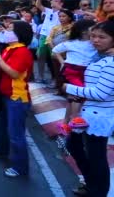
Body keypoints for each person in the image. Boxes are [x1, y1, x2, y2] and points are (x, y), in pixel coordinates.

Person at [63, 21, 114, 197]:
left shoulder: (111, 62)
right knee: (74, 145)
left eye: (102, 37)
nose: (96, 40)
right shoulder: (99, 57)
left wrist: (69, 88)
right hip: (88, 114)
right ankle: (91, 184)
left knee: (97, 157)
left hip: (100, 116)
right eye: (93, 36)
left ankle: (97, 191)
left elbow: (100, 93)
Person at [0, 21, 34, 178]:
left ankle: (20, 167)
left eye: (10, 29)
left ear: (19, 34)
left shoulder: (22, 52)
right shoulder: (9, 49)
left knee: (16, 134)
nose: (6, 31)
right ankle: (1, 150)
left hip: (17, 97)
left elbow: (14, 73)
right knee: (2, 125)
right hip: (6, 95)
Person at [52, 19, 96, 124]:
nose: (96, 30)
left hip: (86, 72)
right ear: (84, 31)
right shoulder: (71, 43)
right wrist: (62, 62)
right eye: (93, 28)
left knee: (73, 97)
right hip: (72, 72)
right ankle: (74, 119)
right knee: (79, 94)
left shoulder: (94, 43)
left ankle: (65, 122)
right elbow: (55, 51)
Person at [36, 0, 64, 84]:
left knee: (54, 58)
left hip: (55, 37)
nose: (53, 2)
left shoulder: (62, 12)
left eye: (56, 1)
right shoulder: (48, 10)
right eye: (53, 0)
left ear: (61, 3)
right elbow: (38, 5)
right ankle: (40, 76)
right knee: (41, 56)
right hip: (44, 36)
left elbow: (62, 11)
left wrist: (57, 6)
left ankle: (54, 78)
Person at [46, 9, 75, 91]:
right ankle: (59, 89)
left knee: (68, 73)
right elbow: (49, 39)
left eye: (64, 16)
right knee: (57, 72)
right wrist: (55, 50)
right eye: (60, 16)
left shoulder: (74, 27)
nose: (61, 18)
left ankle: (69, 90)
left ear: (69, 17)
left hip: (68, 55)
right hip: (55, 54)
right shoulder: (55, 28)